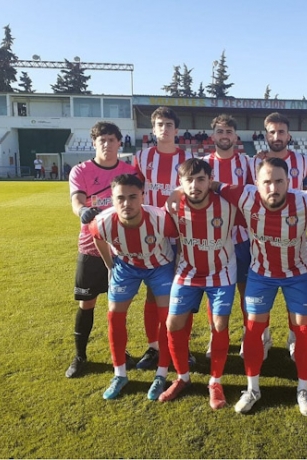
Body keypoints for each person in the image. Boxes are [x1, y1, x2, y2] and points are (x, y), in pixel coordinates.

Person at [215, 157, 307, 416]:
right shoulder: (243, 196)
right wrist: (177, 191)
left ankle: (303, 390)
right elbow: (210, 184)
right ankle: (252, 389)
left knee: (303, 329)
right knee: (253, 329)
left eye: (279, 181)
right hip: (260, 273)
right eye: (266, 182)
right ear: (255, 183)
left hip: (298, 274)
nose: (273, 188)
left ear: (289, 182)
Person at [159, 159, 240, 409]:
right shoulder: (173, 205)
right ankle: (182, 377)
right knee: (173, 323)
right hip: (188, 271)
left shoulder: (228, 205)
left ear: (210, 179)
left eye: (201, 179)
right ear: (180, 183)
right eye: (188, 180)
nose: (195, 185)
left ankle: (215, 382)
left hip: (221, 272)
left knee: (219, 324)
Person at [89, 174, 177, 400]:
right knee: (114, 316)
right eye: (120, 198)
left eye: (132, 197)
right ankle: (120, 374)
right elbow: (97, 237)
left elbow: (178, 238)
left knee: (166, 317)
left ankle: (162, 372)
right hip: (126, 266)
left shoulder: (160, 219)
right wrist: (110, 265)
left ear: (142, 197)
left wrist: (178, 268)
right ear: (112, 198)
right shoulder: (102, 222)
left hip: (160, 266)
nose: (126, 203)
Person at [65, 121, 138, 379]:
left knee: (118, 307)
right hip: (91, 248)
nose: (106, 144)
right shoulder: (81, 170)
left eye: (111, 139)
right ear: (94, 143)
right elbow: (77, 200)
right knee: (87, 303)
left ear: (120, 142)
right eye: (101, 140)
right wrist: (83, 210)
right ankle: (80, 356)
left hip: (122, 251)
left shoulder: (131, 171)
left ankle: (121, 354)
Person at [133, 107, 193, 378]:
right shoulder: (143, 157)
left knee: (184, 290)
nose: (164, 128)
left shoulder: (190, 158)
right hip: (151, 232)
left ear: (176, 130)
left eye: (169, 124)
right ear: (153, 129)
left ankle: (184, 346)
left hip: (183, 232)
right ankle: (154, 347)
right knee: (151, 292)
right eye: (159, 124)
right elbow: (133, 192)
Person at [249, 112, 307, 358]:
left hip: (295, 233)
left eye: (281, 132)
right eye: (272, 132)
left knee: (295, 290)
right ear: (266, 135)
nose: (277, 136)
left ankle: (295, 336)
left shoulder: (305, 161)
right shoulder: (256, 161)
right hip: (260, 234)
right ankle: (259, 337)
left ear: (289, 135)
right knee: (255, 293)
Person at [202, 114, 252, 359]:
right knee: (215, 291)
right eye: (220, 131)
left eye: (229, 131)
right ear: (213, 136)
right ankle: (216, 335)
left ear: (235, 136)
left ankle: (247, 334)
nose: (224, 136)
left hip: (242, 238)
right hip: (213, 240)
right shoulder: (201, 163)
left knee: (245, 290)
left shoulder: (249, 163)